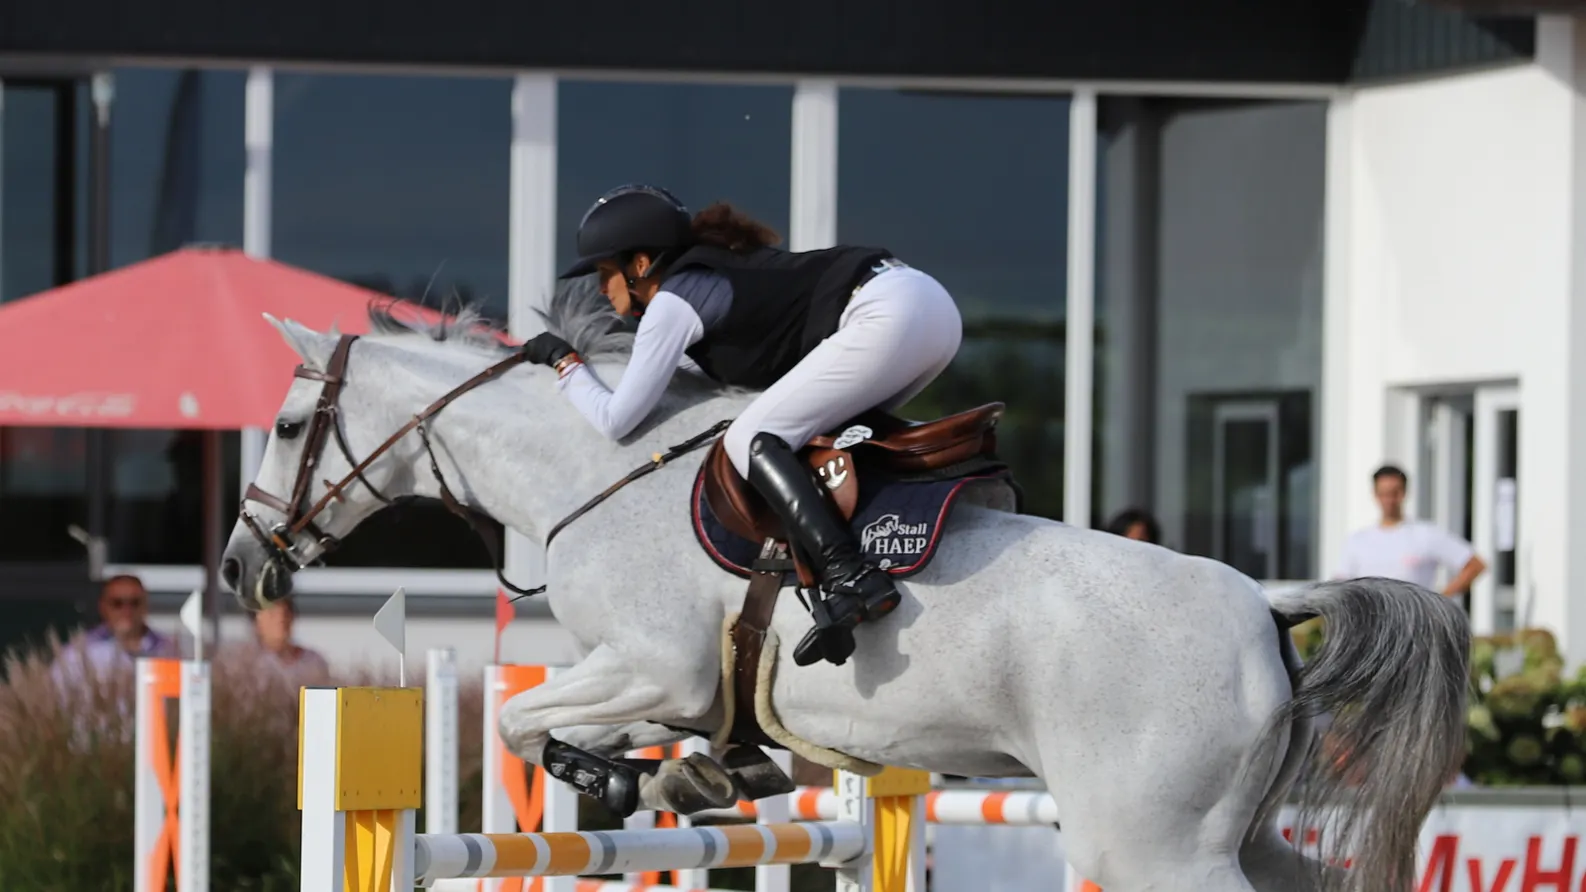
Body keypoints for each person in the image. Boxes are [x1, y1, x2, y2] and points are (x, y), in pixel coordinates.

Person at [519, 184, 964, 667]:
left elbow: (616, 419)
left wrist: (565, 363)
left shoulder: (672, 302)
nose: (602, 288)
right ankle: (877, 548)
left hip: (886, 312)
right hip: (928, 310)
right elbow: (682, 385)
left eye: (606, 272)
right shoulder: (702, 283)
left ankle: (850, 573)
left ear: (641, 265)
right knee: (808, 438)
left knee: (751, 438)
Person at [1335, 465, 1487, 596]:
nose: (1389, 500)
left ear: (1404, 493)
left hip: (1415, 624)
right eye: (1384, 493)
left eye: (1394, 493)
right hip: (1370, 624)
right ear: (1375, 494)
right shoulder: (1357, 541)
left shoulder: (1425, 534)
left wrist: (1439, 601)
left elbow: (1475, 565)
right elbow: (1341, 585)